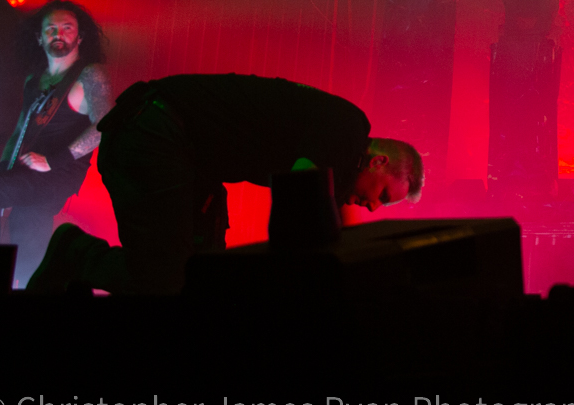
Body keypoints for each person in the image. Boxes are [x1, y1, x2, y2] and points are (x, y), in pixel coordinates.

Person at [28, 73, 423, 295]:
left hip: (180, 150)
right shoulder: (349, 130)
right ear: (379, 160)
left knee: (203, 280)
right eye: (383, 195)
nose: (373, 206)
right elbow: (301, 197)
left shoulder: (338, 146)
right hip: (156, 132)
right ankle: (77, 252)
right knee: (164, 281)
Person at [0, 0, 115, 284]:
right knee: (27, 235)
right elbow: (20, 129)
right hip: (28, 172)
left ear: (80, 37)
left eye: (67, 28)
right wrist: (3, 171)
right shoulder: (35, 80)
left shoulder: (89, 74)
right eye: (51, 29)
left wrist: (53, 161)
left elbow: (105, 125)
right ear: (39, 37)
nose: (59, 34)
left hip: (58, 173)